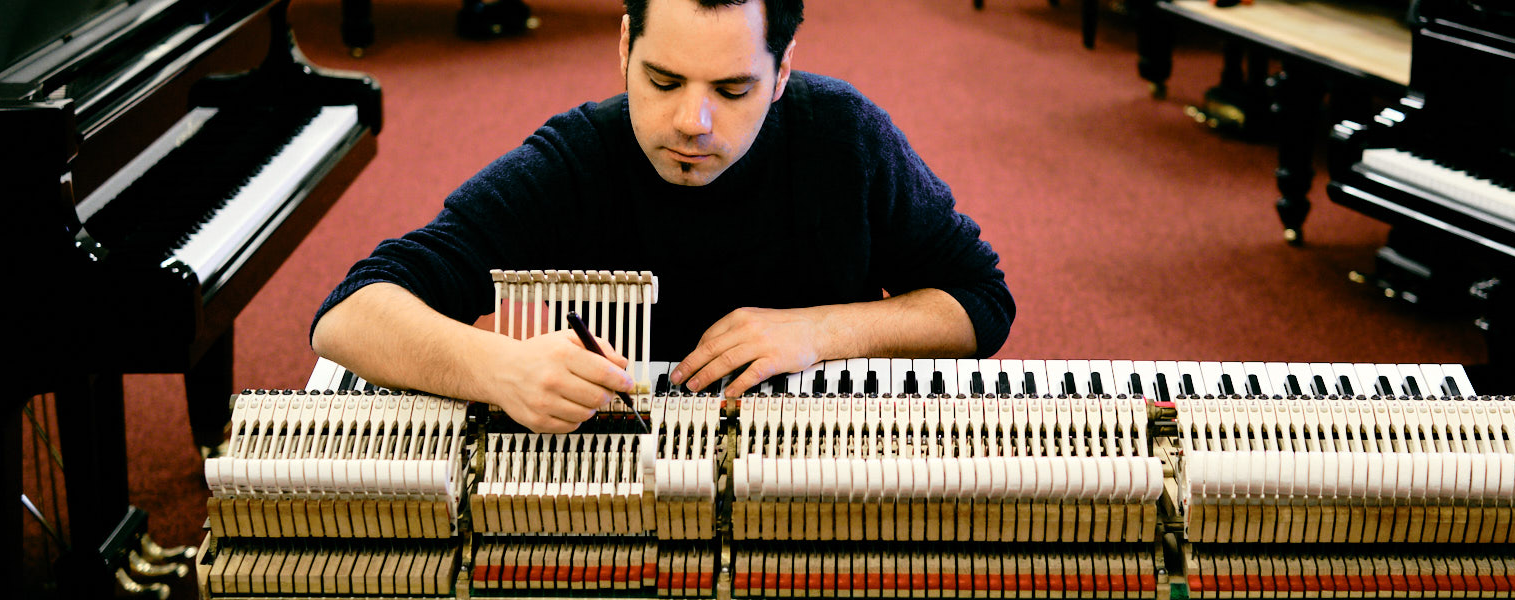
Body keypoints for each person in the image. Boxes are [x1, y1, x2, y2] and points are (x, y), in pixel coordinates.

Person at [310, 0, 1014, 433]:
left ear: (785, 71)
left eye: (734, 89)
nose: (691, 123)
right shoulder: (578, 159)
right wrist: (498, 367)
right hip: (615, 500)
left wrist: (823, 330)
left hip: (817, 474)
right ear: (624, 48)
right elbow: (349, 314)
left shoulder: (846, 138)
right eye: (663, 81)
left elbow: (982, 301)